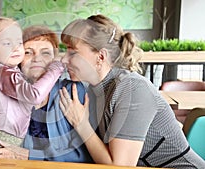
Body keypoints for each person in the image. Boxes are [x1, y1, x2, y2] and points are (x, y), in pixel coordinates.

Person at [58, 14, 205, 168]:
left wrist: (81, 124)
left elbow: (120, 166)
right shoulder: (95, 90)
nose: (63, 59)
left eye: (72, 52)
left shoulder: (132, 88)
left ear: (100, 57)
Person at [0, 25, 93, 162]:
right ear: (18, 59)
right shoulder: (12, 90)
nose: (36, 59)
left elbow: (82, 153)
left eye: (45, 53)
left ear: (55, 59)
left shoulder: (73, 91)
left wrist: (27, 155)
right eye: (28, 52)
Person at [0, 17, 64, 158]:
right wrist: (56, 67)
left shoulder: (13, 74)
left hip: (8, 147)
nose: (15, 48)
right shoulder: (2, 72)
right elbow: (34, 95)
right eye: (7, 43)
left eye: (19, 43)